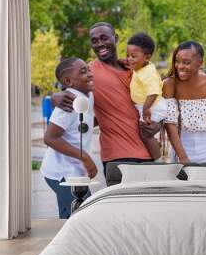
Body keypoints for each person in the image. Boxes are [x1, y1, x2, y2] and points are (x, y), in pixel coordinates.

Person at [51, 22, 157, 176]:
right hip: (118, 157)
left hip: (149, 154)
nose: (100, 44)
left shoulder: (136, 69)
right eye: (94, 41)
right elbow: (68, 89)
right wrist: (56, 96)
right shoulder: (89, 73)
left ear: (116, 38)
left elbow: (158, 101)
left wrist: (157, 125)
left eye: (104, 38)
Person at [41, 58, 97, 219]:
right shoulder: (69, 102)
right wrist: (85, 158)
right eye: (83, 72)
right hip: (62, 173)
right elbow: (50, 138)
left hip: (72, 171)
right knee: (84, 216)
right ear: (68, 81)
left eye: (88, 69)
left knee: (67, 216)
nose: (90, 74)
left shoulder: (88, 95)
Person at [163, 41, 206, 163]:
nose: (180, 66)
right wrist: (183, 157)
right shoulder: (169, 84)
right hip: (181, 148)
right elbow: (170, 123)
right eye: (177, 61)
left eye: (186, 62)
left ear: (200, 63)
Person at [126, 33, 167, 160]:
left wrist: (146, 108)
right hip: (148, 105)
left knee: (146, 135)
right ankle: (156, 146)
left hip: (152, 106)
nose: (129, 59)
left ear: (147, 57)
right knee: (144, 133)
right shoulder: (141, 67)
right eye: (127, 56)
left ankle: (158, 160)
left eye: (133, 56)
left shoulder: (147, 72)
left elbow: (153, 92)